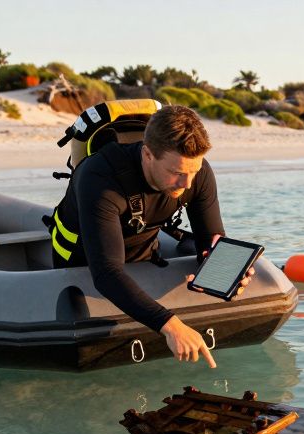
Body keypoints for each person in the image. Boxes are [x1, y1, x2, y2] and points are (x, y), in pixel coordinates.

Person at [49, 105, 249, 368]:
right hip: (79, 263)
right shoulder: (99, 177)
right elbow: (106, 273)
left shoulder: (195, 172)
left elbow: (210, 240)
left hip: (142, 252)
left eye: (194, 171)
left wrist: (226, 272)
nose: (187, 183)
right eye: (177, 173)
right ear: (147, 154)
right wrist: (171, 326)